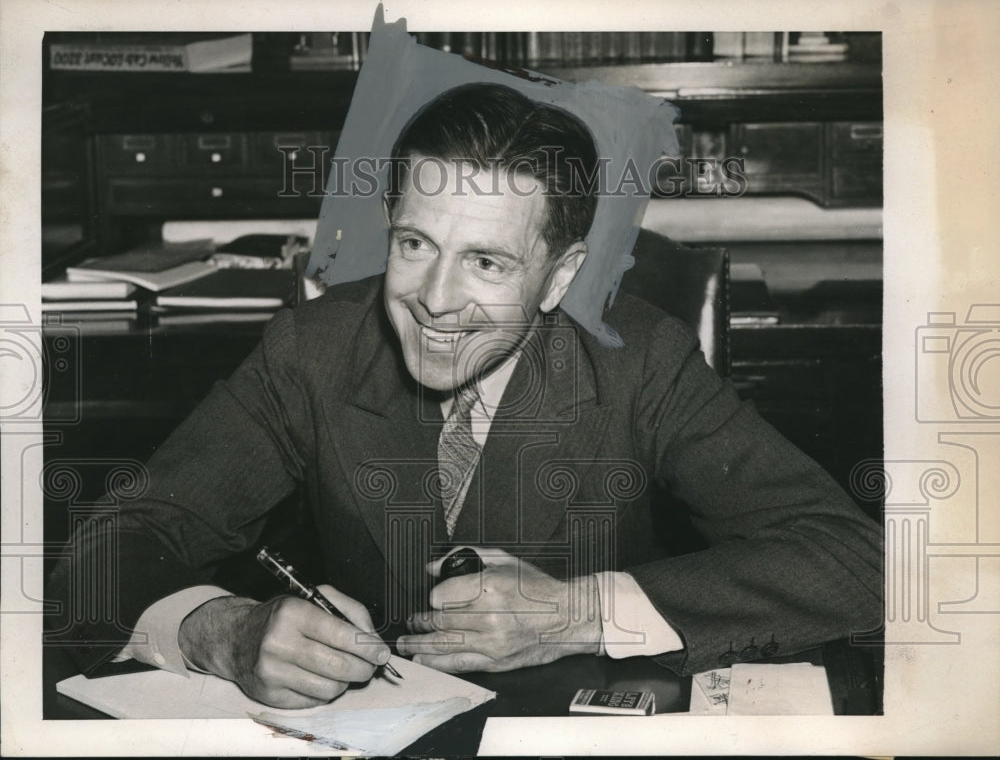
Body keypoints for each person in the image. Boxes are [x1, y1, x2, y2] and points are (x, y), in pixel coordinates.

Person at [47, 82, 882, 710]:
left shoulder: (640, 359)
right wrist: (220, 632)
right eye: (416, 243)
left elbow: (859, 563)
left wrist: (577, 612)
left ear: (558, 277)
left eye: (487, 262)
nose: (435, 298)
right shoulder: (313, 348)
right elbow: (115, 539)